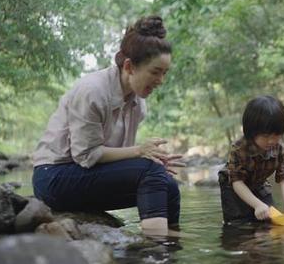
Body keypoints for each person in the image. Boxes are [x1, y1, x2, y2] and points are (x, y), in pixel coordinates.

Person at [32, 16, 184, 235]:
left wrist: (151, 159)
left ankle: (172, 245)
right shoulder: (93, 91)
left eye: (165, 73)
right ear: (130, 66)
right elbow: (86, 156)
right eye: (155, 72)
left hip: (85, 174)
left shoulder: (138, 103)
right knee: (151, 173)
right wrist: (141, 152)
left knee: (168, 185)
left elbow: (118, 159)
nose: (161, 81)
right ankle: (157, 249)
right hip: (54, 176)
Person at [218, 96, 284, 226]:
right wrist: (257, 205)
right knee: (238, 223)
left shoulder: (279, 148)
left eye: (276, 136)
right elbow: (237, 182)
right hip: (232, 185)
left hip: (258, 182)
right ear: (251, 132)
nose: (271, 141)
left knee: (270, 218)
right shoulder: (239, 148)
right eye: (265, 136)